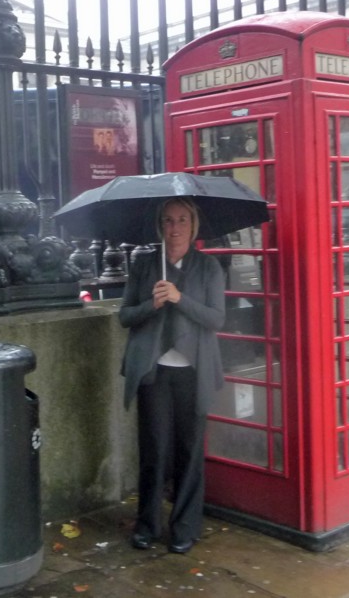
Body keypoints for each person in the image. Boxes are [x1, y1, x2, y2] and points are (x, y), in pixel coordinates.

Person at [118, 197, 226, 555]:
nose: (174, 227)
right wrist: (153, 304)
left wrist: (180, 298)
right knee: (154, 450)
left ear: (193, 226)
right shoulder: (146, 264)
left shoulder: (208, 268)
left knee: (189, 451)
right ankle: (147, 524)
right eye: (167, 220)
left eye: (181, 220)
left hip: (194, 372)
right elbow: (126, 316)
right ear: (159, 226)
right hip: (155, 371)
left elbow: (216, 319)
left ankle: (184, 527)